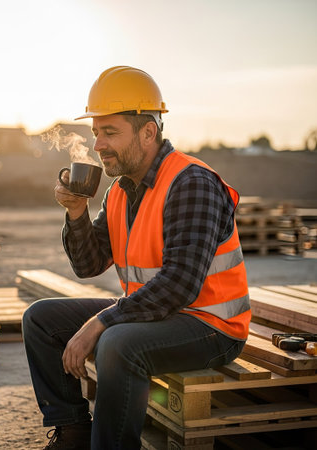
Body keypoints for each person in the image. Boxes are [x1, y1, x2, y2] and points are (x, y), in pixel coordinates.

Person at [23, 66, 251, 450]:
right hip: (154, 314)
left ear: (149, 132)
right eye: (96, 132)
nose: (98, 145)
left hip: (212, 325)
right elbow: (88, 266)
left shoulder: (191, 183)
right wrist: (77, 212)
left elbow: (179, 285)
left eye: (110, 132)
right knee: (40, 319)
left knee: (117, 342)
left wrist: (101, 322)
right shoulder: (118, 192)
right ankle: (74, 433)